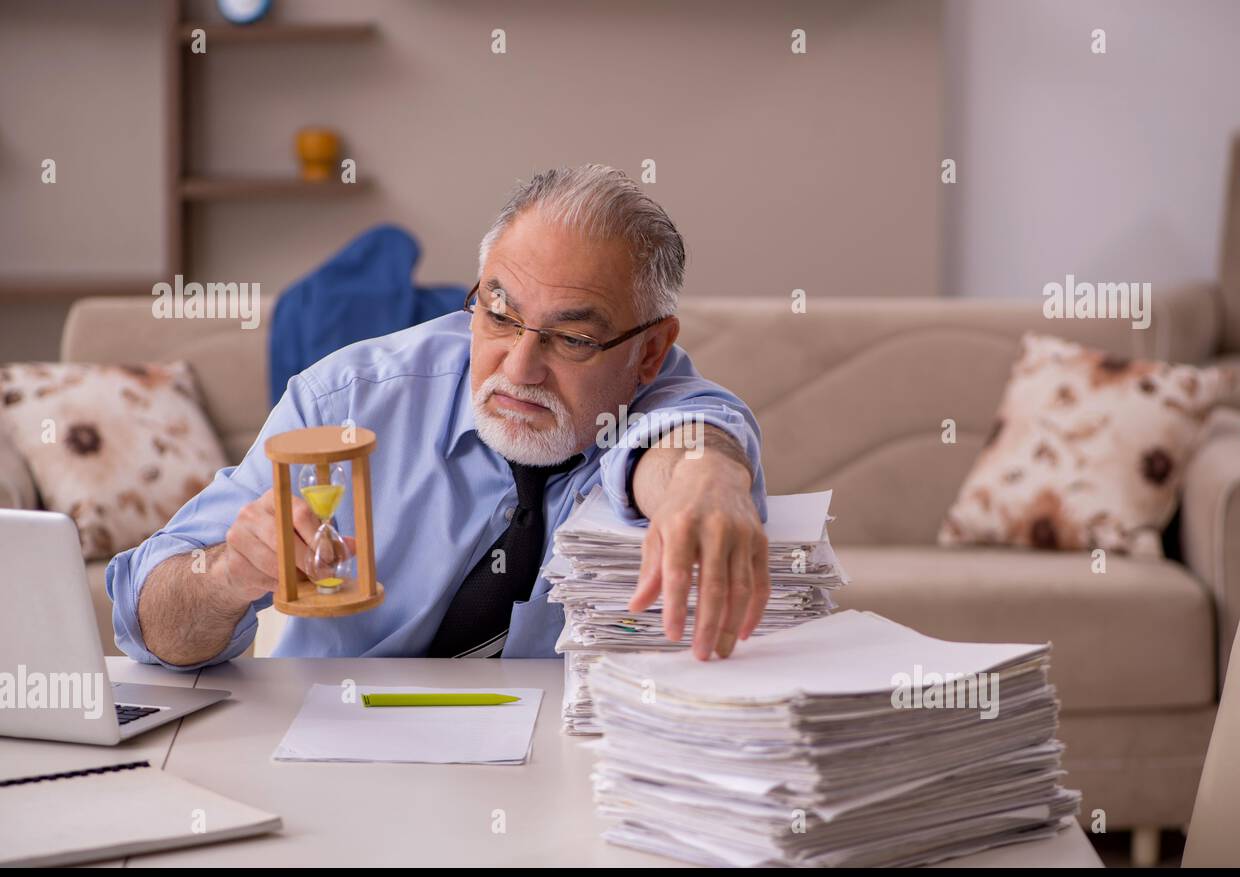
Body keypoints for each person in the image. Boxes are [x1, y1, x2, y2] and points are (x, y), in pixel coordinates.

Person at [107, 164, 769, 667]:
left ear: (649, 351)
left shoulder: (661, 400)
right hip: (336, 759)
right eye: (500, 313)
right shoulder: (348, 397)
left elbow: (685, 438)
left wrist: (703, 481)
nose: (518, 368)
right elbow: (148, 624)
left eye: (571, 339)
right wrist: (225, 573)